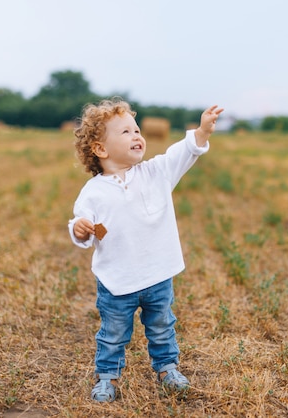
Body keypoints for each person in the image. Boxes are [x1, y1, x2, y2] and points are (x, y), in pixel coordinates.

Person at [68, 97, 224, 402]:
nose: (137, 136)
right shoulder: (93, 193)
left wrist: (202, 131)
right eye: (125, 132)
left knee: (163, 326)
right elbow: (82, 226)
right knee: (113, 335)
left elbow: (183, 152)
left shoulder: (157, 173)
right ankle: (107, 378)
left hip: (157, 276)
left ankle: (168, 369)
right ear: (100, 149)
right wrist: (79, 229)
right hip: (117, 282)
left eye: (137, 130)